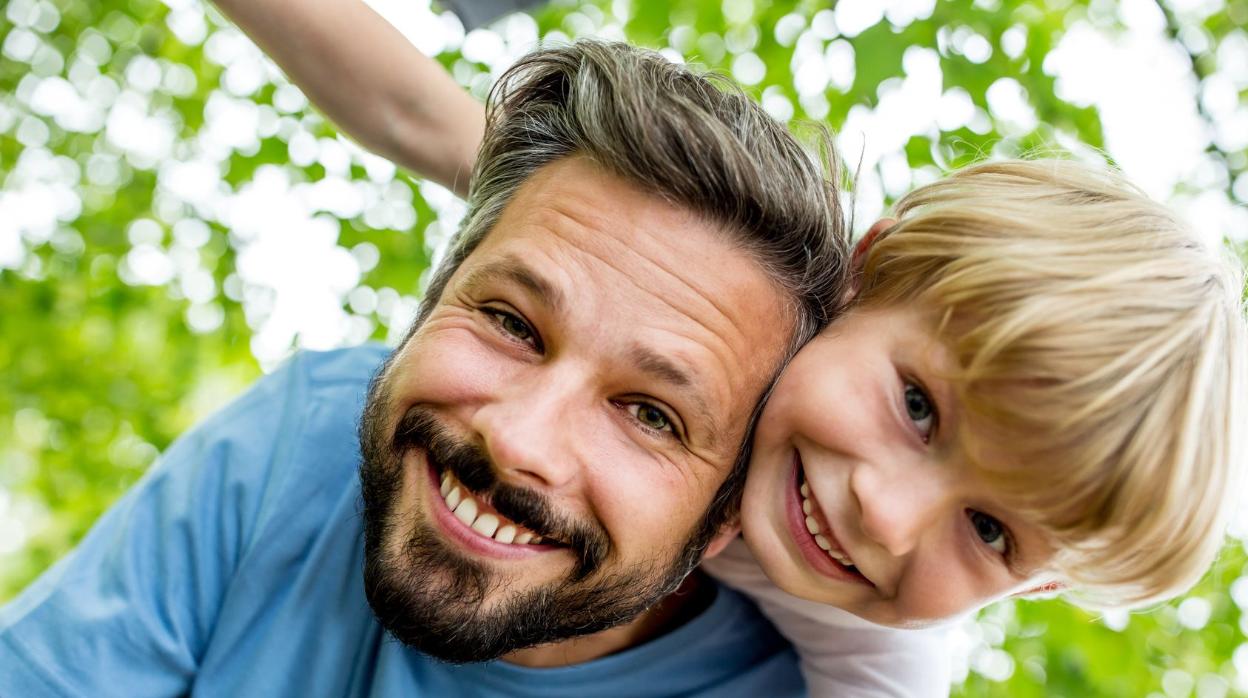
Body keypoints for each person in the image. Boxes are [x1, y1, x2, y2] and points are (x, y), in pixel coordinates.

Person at [204, 2, 1248, 695]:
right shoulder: (688, 275)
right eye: (919, 407)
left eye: (990, 529)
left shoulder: (882, 653)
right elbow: (414, 114)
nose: (884, 513)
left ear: (1035, 587)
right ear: (862, 274)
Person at [0, 41, 849, 696]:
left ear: (726, 516)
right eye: (511, 323)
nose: (517, 438)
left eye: (652, 415)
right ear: (431, 299)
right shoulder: (301, 438)